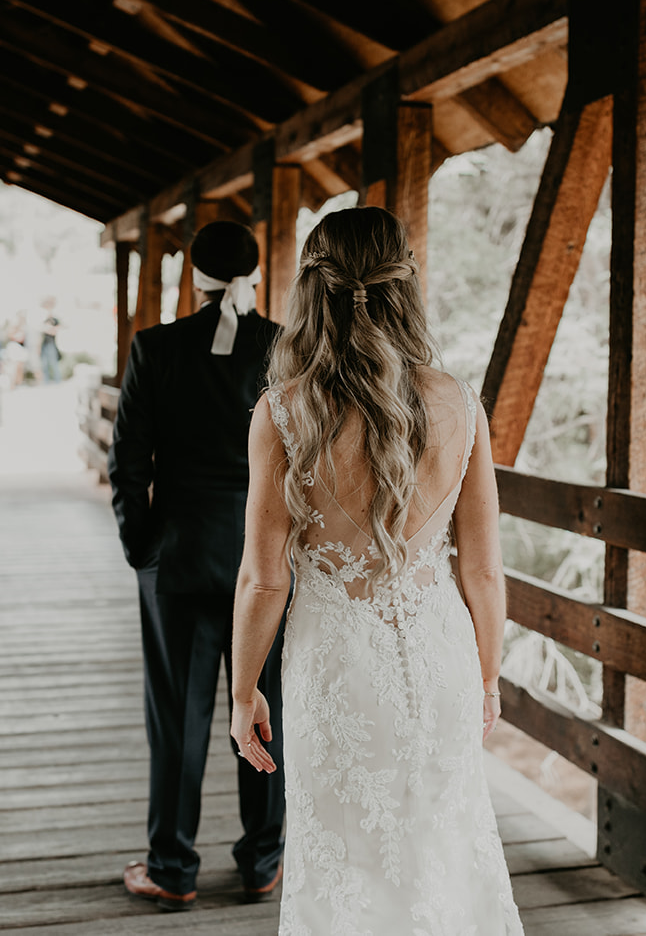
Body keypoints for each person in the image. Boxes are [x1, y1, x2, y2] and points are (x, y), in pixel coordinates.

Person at [229, 207, 522, 933]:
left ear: (309, 289)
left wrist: (242, 693)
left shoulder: (283, 413)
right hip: (440, 658)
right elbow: (484, 570)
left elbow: (263, 579)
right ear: (406, 285)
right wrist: (487, 674)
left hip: (336, 670)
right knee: (442, 852)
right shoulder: (460, 403)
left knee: (347, 865)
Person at [109, 221, 285, 912]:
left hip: (178, 559)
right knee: (265, 705)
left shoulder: (155, 347)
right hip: (264, 557)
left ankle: (173, 866)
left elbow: (127, 463)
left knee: (177, 716)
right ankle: (263, 860)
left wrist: (143, 548)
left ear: (194, 272)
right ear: (254, 271)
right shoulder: (282, 347)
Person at [39, 298, 63, 384]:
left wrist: (49, 329)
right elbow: (41, 329)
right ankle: (46, 382)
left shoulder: (55, 320)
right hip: (44, 344)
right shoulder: (45, 320)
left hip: (51, 344)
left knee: (54, 364)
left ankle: (58, 381)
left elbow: (55, 331)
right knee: (44, 364)